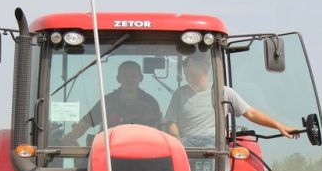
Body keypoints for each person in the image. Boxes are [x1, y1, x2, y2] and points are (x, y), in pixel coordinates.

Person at [165, 52, 299, 147]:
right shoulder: (180, 94)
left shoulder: (223, 92)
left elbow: (251, 113)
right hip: (187, 142)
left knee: (212, 151)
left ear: (204, 68)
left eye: (189, 67)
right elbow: (171, 122)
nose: (186, 71)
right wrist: (177, 141)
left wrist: (279, 125)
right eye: (185, 68)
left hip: (213, 143)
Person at [61, 60, 161, 145]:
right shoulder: (107, 101)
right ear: (118, 79)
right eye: (125, 76)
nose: (129, 80)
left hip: (142, 151)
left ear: (140, 78)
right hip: (108, 151)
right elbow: (87, 122)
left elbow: (158, 130)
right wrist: (71, 137)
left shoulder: (150, 103)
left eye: (133, 76)